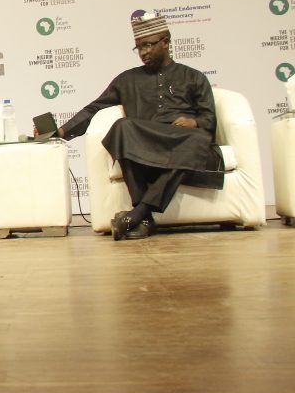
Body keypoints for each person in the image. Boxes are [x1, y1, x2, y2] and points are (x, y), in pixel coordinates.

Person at [56, 12, 223, 240]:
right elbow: (94, 108)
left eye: (148, 45)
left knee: (196, 138)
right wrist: (62, 131)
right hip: (147, 145)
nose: (143, 52)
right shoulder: (127, 80)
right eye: (139, 47)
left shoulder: (194, 77)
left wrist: (193, 122)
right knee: (123, 128)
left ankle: (139, 214)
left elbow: (209, 119)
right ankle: (142, 215)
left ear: (165, 42)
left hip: (182, 141)